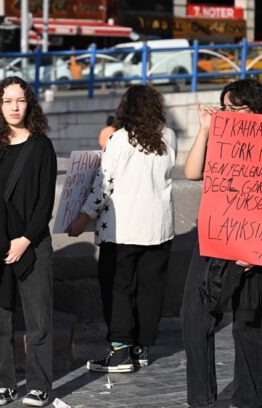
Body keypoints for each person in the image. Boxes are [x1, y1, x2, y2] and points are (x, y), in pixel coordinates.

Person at [179, 79, 262, 408]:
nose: (232, 114)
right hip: (214, 242)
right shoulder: (220, 139)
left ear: (257, 108)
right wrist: (205, 130)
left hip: (258, 245)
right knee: (194, 318)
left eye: (239, 107)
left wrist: (259, 248)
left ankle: (247, 402)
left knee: (248, 324)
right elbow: (192, 172)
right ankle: (200, 397)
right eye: (226, 108)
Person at [66, 85, 176, 373]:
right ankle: (142, 348)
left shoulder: (121, 138)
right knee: (151, 289)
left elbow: (104, 183)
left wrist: (82, 217)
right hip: (159, 227)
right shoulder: (168, 136)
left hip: (123, 229)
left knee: (118, 289)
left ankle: (120, 351)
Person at [0, 76, 57, 407]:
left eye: (20, 100)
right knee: (1, 320)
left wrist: (24, 240)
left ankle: (39, 384)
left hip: (32, 245)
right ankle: (4, 383)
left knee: (38, 322)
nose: (14, 107)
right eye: (7, 101)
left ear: (29, 103)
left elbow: (44, 203)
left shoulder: (41, 146)